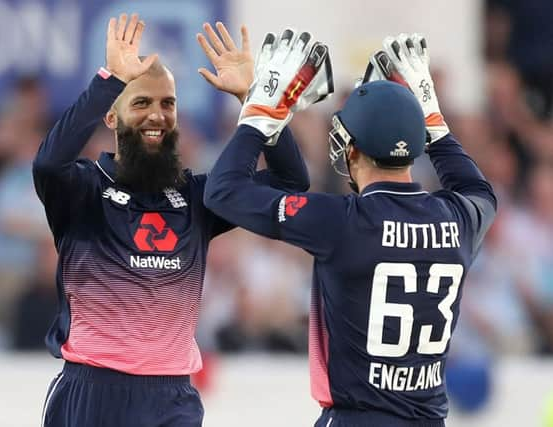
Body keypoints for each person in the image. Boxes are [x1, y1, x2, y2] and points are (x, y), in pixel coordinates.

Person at [204, 32, 497, 426]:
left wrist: (259, 110)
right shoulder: (457, 218)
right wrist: (434, 120)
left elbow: (223, 192)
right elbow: (478, 190)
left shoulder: (342, 221)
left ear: (352, 150)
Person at [33, 14, 310, 427]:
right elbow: (49, 163)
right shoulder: (83, 191)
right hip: (91, 391)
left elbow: (291, 182)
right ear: (112, 118)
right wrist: (109, 81)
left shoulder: (200, 198)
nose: (157, 115)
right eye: (141, 102)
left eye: (168, 103)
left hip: (172, 397)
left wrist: (257, 102)